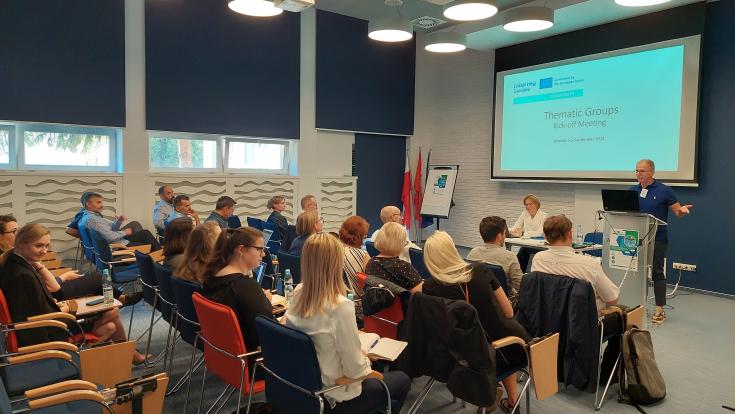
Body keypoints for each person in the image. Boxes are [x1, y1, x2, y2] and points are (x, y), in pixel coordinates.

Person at [285, 232, 411, 414]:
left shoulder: (299, 292)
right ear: (336, 263)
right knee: (401, 379)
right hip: (334, 394)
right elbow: (355, 371)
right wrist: (366, 359)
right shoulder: (339, 306)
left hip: (303, 387)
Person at [0, 224, 147, 364]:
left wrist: (58, 305)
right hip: (48, 329)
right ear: (21, 244)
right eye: (38, 246)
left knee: (110, 326)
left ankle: (122, 356)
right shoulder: (23, 275)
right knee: (111, 313)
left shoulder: (16, 263)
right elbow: (37, 313)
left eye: (46, 246)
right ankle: (127, 355)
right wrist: (66, 308)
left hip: (48, 321)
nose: (44, 251)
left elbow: (35, 304)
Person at [423, 231, 530, 412]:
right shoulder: (480, 271)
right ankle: (505, 397)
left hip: (457, 355)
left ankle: (497, 394)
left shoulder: (429, 287)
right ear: (452, 249)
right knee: (502, 337)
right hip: (497, 352)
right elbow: (509, 312)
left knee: (494, 342)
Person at [631, 159, 692, 324]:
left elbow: (677, 212)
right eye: (636, 170)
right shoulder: (632, 190)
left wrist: (682, 211)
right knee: (634, 271)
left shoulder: (664, 190)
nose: (638, 174)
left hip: (658, 237)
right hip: (636, 238)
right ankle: (634, 305)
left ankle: (659, 308)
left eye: (642, 171)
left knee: (657, 272)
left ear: (651, 172)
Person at [201, 227, 274, 351]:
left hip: (225, 353)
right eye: (259, 249)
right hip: (255, 358)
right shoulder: (245, 286)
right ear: (241, 249)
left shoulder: (211, 277)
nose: (263, 254)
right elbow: (268, 331)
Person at [531, 215, 618, 313]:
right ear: (570, 234)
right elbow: (612, 299)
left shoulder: (538, 259)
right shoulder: (589, 264)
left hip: (548, 319)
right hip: (582, 323)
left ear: (546, 237)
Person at [467, 216, 524, 302]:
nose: (505, 236)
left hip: (477, 301)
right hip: (504, 304)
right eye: (504, 233)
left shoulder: (473, 253)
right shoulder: (510, 257)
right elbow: (520, 286)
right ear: (499, 236)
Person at [79, 192, 161, 250]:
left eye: (101, 202)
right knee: (148, 241)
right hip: (118, 246)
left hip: (119, 242)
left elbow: (112, 228)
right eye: (98, 202)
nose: (102, 205)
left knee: (144, 234)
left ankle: (158, 255)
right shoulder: (93, 219)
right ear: (88, 204)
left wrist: (119, 221)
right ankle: (160, 257)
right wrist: (125, 232)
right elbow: (110, 237)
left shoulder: (91, 216)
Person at [365, 222, 423, 293]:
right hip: (402, 303)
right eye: (405, 242)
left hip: (380, 302)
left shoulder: (371, 262)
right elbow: (419, 294)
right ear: (400, 243)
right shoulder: (403, 267)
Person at [338, 216, 370, 319]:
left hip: (335, 301)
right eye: (364, 236)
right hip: (356, 307)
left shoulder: (333, 250)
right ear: (359, 236)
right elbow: (370, 282)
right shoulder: (363, 255)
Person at [509, 194, 547, 272]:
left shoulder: (544, 216)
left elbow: (539, 233)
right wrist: (509, 230)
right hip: (526, 244)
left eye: (530, 204)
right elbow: (516, 227)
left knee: (528, 259)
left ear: (536, 204)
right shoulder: (524, 214)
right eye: (526, 204)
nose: (528, 206)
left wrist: (523, 233)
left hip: (538, 246)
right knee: (519, 259)